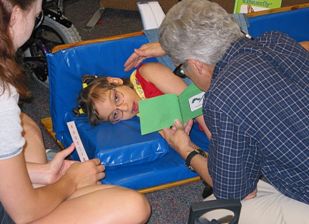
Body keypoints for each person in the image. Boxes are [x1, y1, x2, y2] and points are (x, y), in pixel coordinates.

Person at [124, 0, 309, 223]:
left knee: (214, 211)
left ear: (197, 64)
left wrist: (186, 149)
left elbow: (236, 192)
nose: (185, 74)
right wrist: (177, 48)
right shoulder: (277, 40)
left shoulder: (221, 99)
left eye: (182, 70)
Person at [0, 0, 151, 223]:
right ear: (14, 16)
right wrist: (70, 181)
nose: (35, 25)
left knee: (25, 124)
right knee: (133, 205)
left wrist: (42, 173)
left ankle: (39, 185)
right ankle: (40, 191)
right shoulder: (3, 96)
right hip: (18, 211)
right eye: (37, 17)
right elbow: (24, 213)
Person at [73, 62, 211, 139]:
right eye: (115, 114)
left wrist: (214, 137)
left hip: (212, 99)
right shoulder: (146, 116)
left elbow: (194, 100)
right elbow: (175, 140)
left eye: (116, 98)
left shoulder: (147, 73)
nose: (125, 108)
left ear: (115, 81)